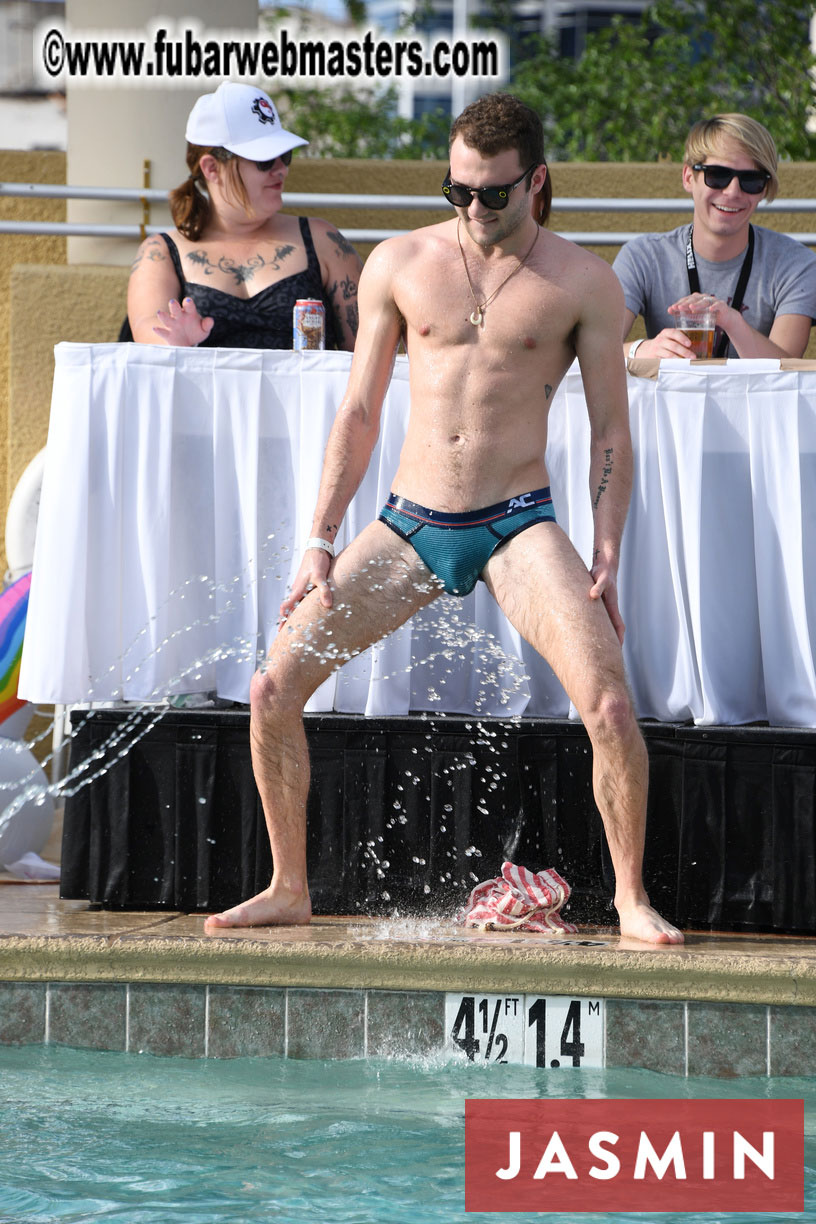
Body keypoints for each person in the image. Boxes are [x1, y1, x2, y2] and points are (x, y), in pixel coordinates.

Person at [204, 93, 683, 946]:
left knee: (610, 707)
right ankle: (288, 886)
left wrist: (607, 546)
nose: (474, 209)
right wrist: (318, 540)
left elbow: (611, 429)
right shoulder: (401, 263)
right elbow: (358, 412)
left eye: (493, 193)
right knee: (272, 688)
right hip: (408, 521)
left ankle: (630, 898)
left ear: (536, 182)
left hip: (517, 522)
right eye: (458, 190)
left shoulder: (583, 282)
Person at [126, 82, 362, 350]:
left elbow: (368, 351)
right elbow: (148, 331)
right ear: (211, 168)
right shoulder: (161, 253)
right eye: (264, 160)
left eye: (285, 156)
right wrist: (177, 343)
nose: (281, 170)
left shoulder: (323, 241)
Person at [613, 114, 816, 360]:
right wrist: (643, 349)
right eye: (717, 175)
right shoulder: (642, 256)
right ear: (688, 177)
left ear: (764, 190)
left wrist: (732, 322)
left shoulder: (796, 264)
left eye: (751, 180)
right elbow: (596, 349)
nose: (732, 191)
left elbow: (788, 369)